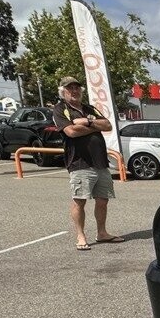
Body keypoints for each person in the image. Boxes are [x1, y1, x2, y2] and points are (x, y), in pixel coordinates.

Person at [52, 76, 122, 251]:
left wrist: (88, 121)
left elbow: (107, 126)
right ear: (63, 92)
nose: (75, 91)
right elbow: (71, 131)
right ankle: (81, 235)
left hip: (100, 162)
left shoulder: (89, 109)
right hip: (80, 163)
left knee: (102, 200)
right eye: (70, 89)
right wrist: (93, 127)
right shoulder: (61, 109)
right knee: (80, 200)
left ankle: (102, 233)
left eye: (77, 88)